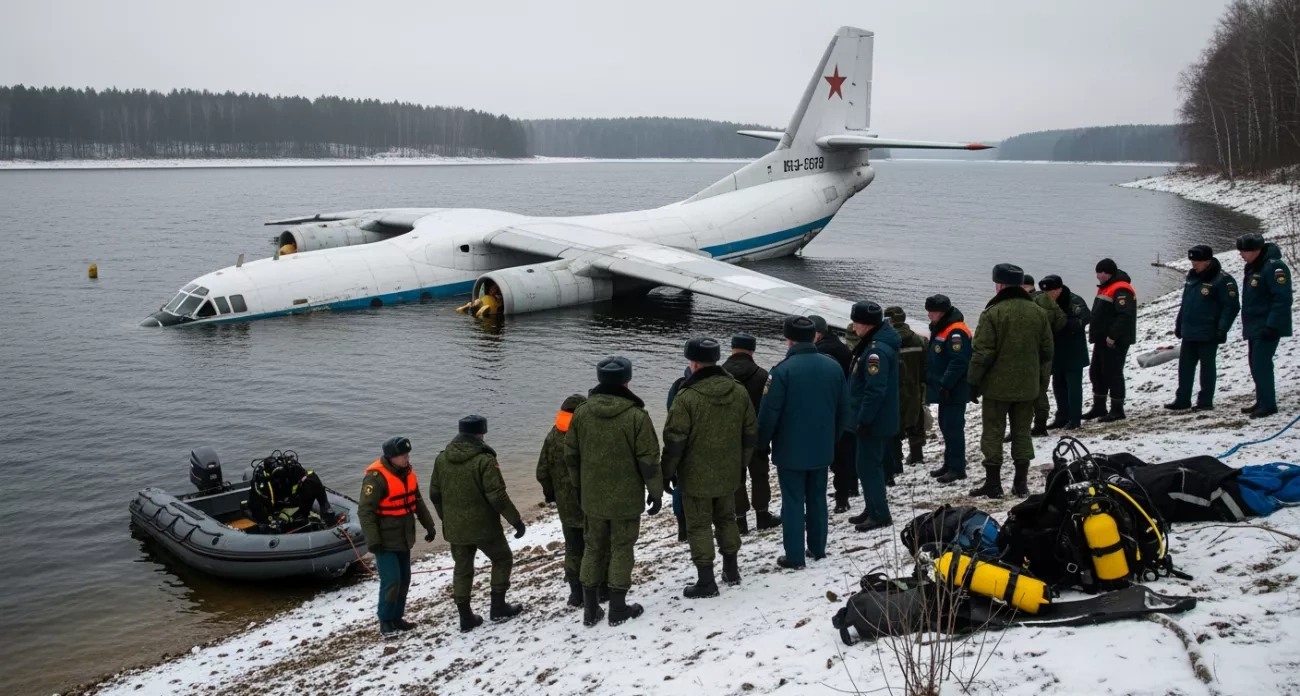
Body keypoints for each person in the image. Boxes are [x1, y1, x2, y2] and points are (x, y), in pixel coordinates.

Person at [565, 356, 663, 627]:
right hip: (626, 497)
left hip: (592, 496)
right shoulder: (636, 416)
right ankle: (618, 609)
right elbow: (649, 461)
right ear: (627, 381)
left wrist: (578, 487)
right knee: (621, 548)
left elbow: (570, 455)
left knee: (593, 547)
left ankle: (590, 609)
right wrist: (656, 493)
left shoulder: (582, 413)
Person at [663, 337, 756, 598]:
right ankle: (732, 570)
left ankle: (706, 581)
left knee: (699, 525)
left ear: (693, 363)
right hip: (729, 470)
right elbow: (750, 433)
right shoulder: (738, 391)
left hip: (695, 475)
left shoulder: (686, 396)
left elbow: (674, 440)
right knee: (727, 518)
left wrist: (667, 472)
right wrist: (742, 464)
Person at [757, 316, 848, 568]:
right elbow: (844, 411)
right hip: (822, 447)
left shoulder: (782, 371)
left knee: (793, 501)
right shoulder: (833, 368)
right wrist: (832, 440)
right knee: (818, 498)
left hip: (790, 451)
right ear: (814, 337)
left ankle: (795, 556)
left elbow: (768, 415)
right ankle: (818, 549)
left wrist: (761, 444)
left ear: (789, 339)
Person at [429, 416, 525, 632]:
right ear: (481, 434)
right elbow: (497, 496)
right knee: (502, 558)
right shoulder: (485, 460)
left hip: (455, 528)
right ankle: (498, 607)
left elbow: (434, 493)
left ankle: (465, 617)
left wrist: (445, 517)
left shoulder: (442, 459)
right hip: (484, 527)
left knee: (462, 568)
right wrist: (516, 520)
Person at [968, 264, 1054, 498]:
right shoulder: (1038, 312)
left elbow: (982, 353)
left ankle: (994, 484)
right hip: (1028, 387)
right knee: (1022, 433)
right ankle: (1020, 484)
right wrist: (1040, 383)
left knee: (993, 434)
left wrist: (972, 383)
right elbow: (1047, 352)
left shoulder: (992, 313)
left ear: (999, 285)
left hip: (997, 389)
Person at [358, 436, 438, 639]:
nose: (406, 458)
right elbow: (366, 512)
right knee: (391, 581)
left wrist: (429, 525)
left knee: (404, 580)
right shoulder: (376, 478)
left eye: (407, 454)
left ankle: (398, 618)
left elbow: (417, 501)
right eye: (402, 455)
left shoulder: (408, 473)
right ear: (391, 457)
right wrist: (372, 540)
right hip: (385, 541)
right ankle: (385, 621)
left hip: (404, 537)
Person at [1166, 245, 1240, 412]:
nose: (1194, 265)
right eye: (1192, 261)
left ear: (1208, 261)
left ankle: (1205, 401)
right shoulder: (1191, 278)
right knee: (1185, 368)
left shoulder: (1222, 280)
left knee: (1207, 368)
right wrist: (1179, 325)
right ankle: (1182, 399)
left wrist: (1222, 329)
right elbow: (1185, 305)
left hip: (1209, 332)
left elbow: (1231, 307)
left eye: (1197, 262)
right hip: (1189, 332)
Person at [847, 302, 900, 532]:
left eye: (855, 322)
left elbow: (875, 390)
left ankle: (879, 514)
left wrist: (864, 419)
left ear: (865, 324)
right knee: (866, 465)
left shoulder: (875, 351)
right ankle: (872, 507)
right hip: (876, 419)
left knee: (869, 467)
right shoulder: (875, 344)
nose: (853, 327)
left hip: (874, 421)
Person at [720, 333, 779, 534]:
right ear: (752, 350)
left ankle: (739, 520)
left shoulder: (719, 375)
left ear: (732, 348)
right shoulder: (763, 376)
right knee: (760, 475)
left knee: (735, 479)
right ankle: (762, 515)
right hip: (756, 436)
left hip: (728, 438)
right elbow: (770, 408)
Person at [537, 394, 588, 608]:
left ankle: (575, 593)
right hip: (588, 500)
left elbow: (541, 471)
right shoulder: (586, 434)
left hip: (565, 505)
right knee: (594, 544)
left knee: (573, 547)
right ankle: (596, 588)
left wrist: (550, 494)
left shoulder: (553, 435)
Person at [1237, 233, 1293, 418]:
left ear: (1256, 250)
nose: (1241, 255)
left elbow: (1282, 298)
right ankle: (1262, 400)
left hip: (1266, 326)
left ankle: (1268, 404)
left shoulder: (1274, 267)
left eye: (1244, 251)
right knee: (1255, 364)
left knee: (1262, 365)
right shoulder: (1255, 267)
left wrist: (1272, 325)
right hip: (1255, 325)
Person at [811, 316, 859, 513]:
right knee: (847, 452)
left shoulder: (822, 351)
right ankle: (850, 488)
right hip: (846, 406)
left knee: (838, 456)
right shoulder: (839, 346)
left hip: (831, 409)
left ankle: (842, 497)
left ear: (818, 333)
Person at [925, 295, 973, 484]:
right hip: (944, 389)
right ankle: (949, 463)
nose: (929, 315)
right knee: (945, 426)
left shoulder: (956, 332)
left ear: (942, 313)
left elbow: (959, 361)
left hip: (954, 389)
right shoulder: (942, 328)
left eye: (932, 312)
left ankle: (957, 468)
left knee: (953, 429)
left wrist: (945, 383)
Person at [1083, 258, 1137, 423]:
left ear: (1107, 273)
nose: (1097, 276)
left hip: (1114, 341)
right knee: (1097, 372)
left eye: (1099, 272)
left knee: (1113, 373)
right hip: (1102, 339)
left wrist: (1113, 336)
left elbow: (1124, 315)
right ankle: (1099, 407)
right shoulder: (1107, 287)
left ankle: (1117, 409)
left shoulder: (1121, 289)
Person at [1038, 275, 1091, 429]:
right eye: (1044, 291)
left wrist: (1064, 323)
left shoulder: (1074, 301)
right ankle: (1061, 416)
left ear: (1059, 289)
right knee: (1058, 384)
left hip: (1073, 349)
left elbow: (1086, 317)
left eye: (1051, 291)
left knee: (1073, 386)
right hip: (1056, 350)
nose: (1047, 294)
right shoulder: (1044, 301)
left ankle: (1074, 419)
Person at [883, 307, 927, 482]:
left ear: (890, 321)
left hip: (897, 389)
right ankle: (916, 456)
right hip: (916, 386)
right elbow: (925, 365)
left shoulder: (889, 342)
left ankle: (896, 463)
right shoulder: (919, 339)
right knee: (916, 421)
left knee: (894, 427)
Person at [247, 450, 336, 529]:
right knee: (274, 523)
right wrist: (269, 520)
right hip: (272, 508)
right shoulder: (261, 483)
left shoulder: (293, 472)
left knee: (312, 485)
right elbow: (259, 506)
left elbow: (312, 482)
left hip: (291, 502)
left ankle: (325, 518)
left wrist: (324, 505)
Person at [1024, 274, 1066, 437]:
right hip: (1045, 352)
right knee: (1040, 391)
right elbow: (1060, 320)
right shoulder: (1046, 299)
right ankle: (1040, 425)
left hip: (1028, 353)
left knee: (1025, 392)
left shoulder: (1022, 302)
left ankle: (1024, 427)